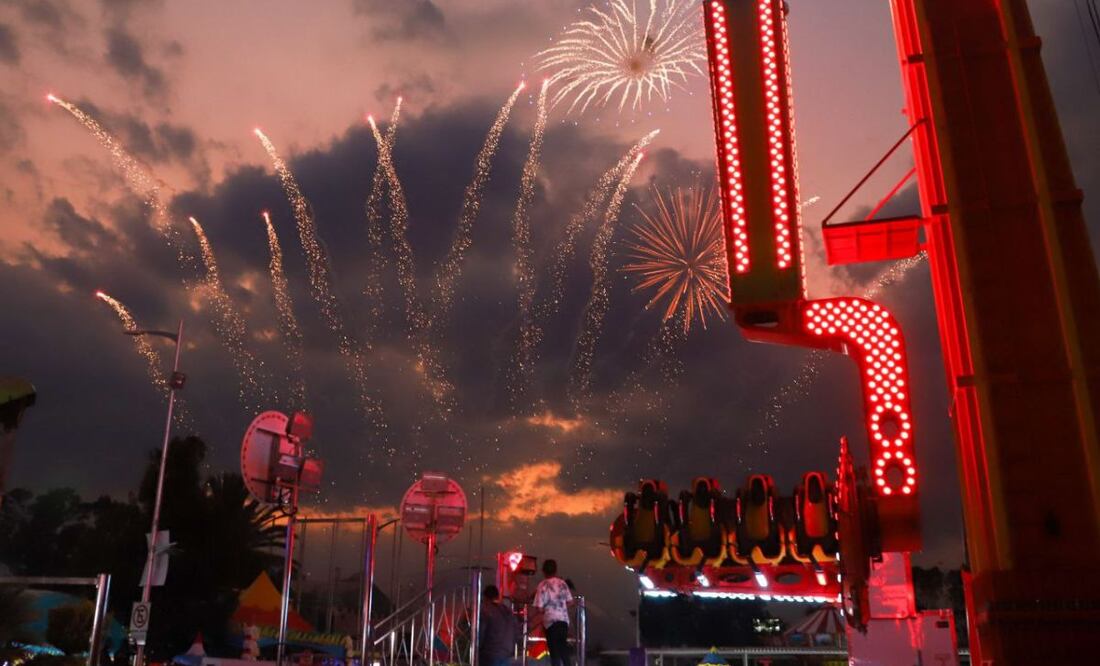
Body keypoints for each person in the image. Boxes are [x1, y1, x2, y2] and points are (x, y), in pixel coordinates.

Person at [533, 559, 574, 666]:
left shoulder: (542, 585)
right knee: (564, 650)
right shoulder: (562, 583)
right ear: (556, 570)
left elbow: (539, 608)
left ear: (543, 571)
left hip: (550, 623)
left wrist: (547, 609)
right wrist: (561, 607)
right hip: (563, 622)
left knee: (554, 653)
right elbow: (570, 601)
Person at [479, 584, 517, 666]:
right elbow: (516, 632)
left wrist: (477, 647)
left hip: (490, 654)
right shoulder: (508, 612)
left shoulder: (486, 610)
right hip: (506, 653)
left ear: (485, 598)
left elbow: (481, 633)